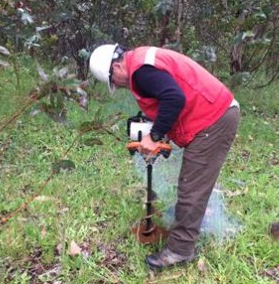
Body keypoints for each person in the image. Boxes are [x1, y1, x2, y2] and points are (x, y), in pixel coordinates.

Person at [89, 44, 240, 270]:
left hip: (213, 119)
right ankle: (196, 220)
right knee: (195, 182)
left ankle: (180, 251)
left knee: (191, 187)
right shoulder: (143, 61)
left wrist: (155, 135)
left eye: (115, 81)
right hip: (213, 113)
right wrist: (160, 132)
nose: (119, 86)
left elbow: (173, 98)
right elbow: (172, 97)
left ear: (117, 66)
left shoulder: (141, 72)